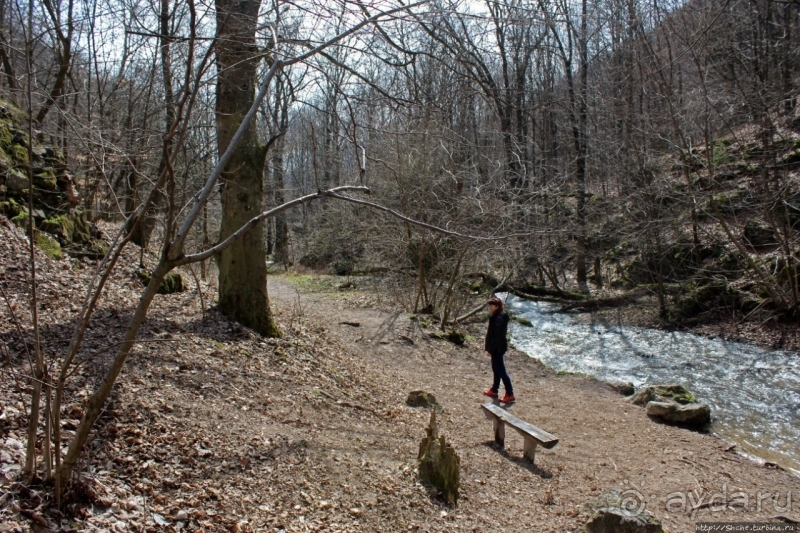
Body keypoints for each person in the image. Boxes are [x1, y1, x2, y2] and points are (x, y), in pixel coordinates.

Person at [483, 296, 515, 403]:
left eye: (491, 306)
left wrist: (491, 349)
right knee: (496, 370)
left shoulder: (499, 318)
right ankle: (494, 390)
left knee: (501, 371)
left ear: (497, 306)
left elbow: (496, 336)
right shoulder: (497, 316)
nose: (490, 308)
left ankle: (510, 394)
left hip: (498, 348)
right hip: (498, 347)